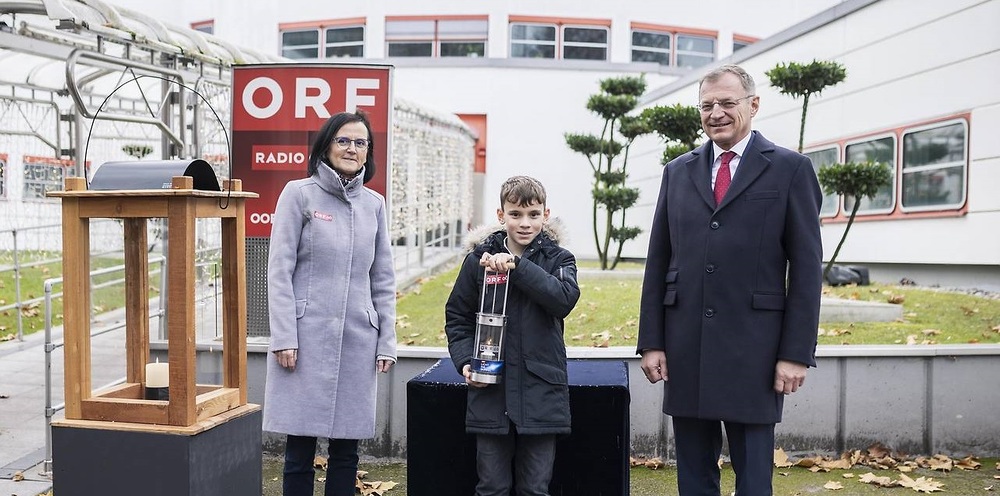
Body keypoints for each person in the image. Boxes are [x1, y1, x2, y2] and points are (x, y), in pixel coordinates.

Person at [636, 64, 823, 496]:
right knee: (694, 477)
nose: (715, 113)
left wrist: (795, 353)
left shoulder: (790, 170)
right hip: (687, 346)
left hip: (755, 351)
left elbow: (808, 270)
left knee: (754, 477)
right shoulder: (677, 171)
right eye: (706, 105)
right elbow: (658, 260)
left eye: (726, 102)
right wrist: (653, 341)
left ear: (753, 105)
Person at [263, 111, 397, 496]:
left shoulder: (374, 204)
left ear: (368, 152)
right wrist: (284, 336)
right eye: (343, 140)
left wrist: (386, 337)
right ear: (325, 145)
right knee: (299, 449)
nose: (352, 149)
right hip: (305, 336)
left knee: (347, 451)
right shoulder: (299, 194)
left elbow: (383, 278)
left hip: (358, 335)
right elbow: (279, 271)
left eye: (360, 142)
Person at [445, 175, 581, 496]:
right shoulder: (477, 261)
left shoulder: (559, 259)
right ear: (500, 215)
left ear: (545, 215)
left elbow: (563, 299)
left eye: (533, 215)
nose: (524, 223)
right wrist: (466, 361)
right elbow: (457, 317)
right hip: (491, 391)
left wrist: (517, 267)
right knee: (492, 486)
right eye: (515, 214)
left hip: (541, 393)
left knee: (534, 488)